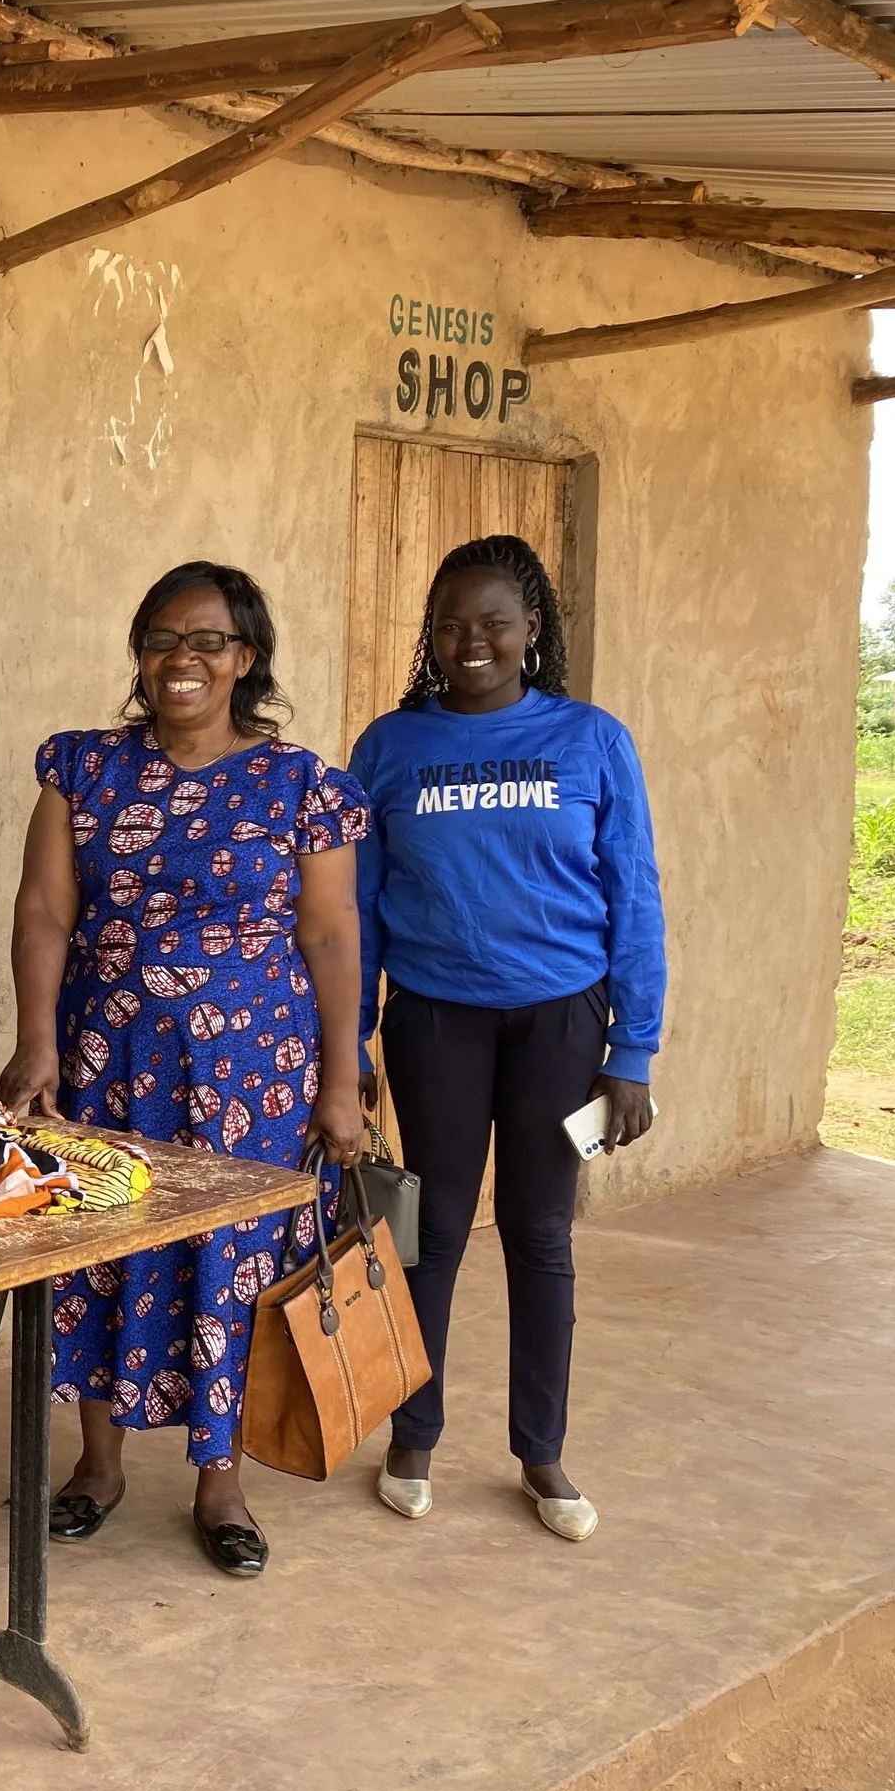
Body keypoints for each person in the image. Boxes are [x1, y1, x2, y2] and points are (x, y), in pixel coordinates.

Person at [0, 562, 368, 1578]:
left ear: (245, 658)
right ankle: (99, 1465)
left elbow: (332, 935)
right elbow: (44, 909)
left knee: (234, 1263)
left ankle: (221, 1483)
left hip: (254, 1076)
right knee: (99, 1251)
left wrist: (342, 1083)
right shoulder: (81, 769)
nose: (182, 658)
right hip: (107, 1062)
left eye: (208, 641)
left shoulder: (303, 785)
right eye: (162, 638)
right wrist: (36, 1037)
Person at [350, 534, 663, 1544]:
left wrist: (631, 1053)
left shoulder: (591, 739)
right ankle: (413, 1434)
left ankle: (541, 1451)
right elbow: (358, 909)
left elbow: (634, 897)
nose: (470, 641)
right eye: (450, 625)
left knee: (539, 1233)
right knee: (432, 1231)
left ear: (532, 630)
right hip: (435, 1019)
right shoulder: (389, 747)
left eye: (492, 622)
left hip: (561, 1023)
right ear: (430, 637)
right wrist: (351, 1039)